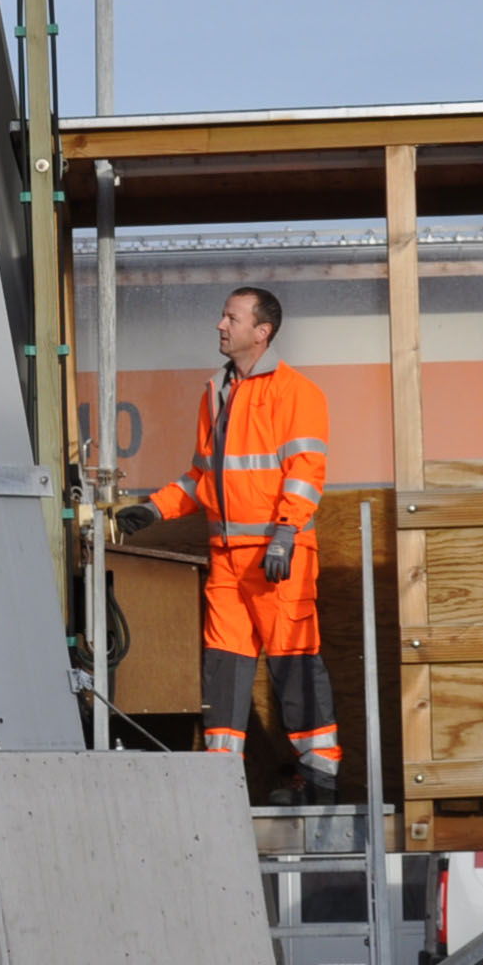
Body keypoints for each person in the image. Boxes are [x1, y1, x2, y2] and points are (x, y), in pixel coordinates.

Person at [117, 284, 339, 803]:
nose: (220, 325)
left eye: (231, 318)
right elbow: (204, 478)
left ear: (262, 332)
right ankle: (222, 788)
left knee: (295, 667)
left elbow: (306, 473)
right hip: (229, 564)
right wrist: (152, 509)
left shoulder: (296, 393)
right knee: (224, 674)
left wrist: (285, 533)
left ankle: (322, 783)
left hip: (278, 561)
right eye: (222, 316)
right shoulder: (215, 392)